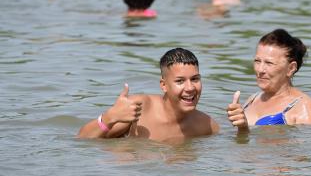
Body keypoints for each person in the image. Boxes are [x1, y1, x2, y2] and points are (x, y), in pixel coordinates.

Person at [77, 48, 220, 142]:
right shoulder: (140, 109)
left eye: (195, 79)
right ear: (163, 85)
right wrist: (109, 117)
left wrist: (242, 129)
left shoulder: (206, 125)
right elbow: (82, 140)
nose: (190, 88)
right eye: (180, 81)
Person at [227, 29, 311, 130]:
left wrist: (244, 129)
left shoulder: (302, 106)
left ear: (291, 68)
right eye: (257, 61)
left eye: (269, 63)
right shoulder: (252, 100)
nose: (260, 69)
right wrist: (241, 128)